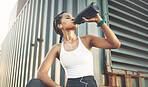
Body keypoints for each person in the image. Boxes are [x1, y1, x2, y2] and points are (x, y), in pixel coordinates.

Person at [36, 12, 121, 87]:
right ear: (60, 25)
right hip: (71, 84)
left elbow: (115, 44)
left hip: (89, 84)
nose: (73, 18)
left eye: (73, 17)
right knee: (34, 83)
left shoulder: (87, 40)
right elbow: (41, 73)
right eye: (68, 17)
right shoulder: (57, 48)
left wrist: (98, 20)